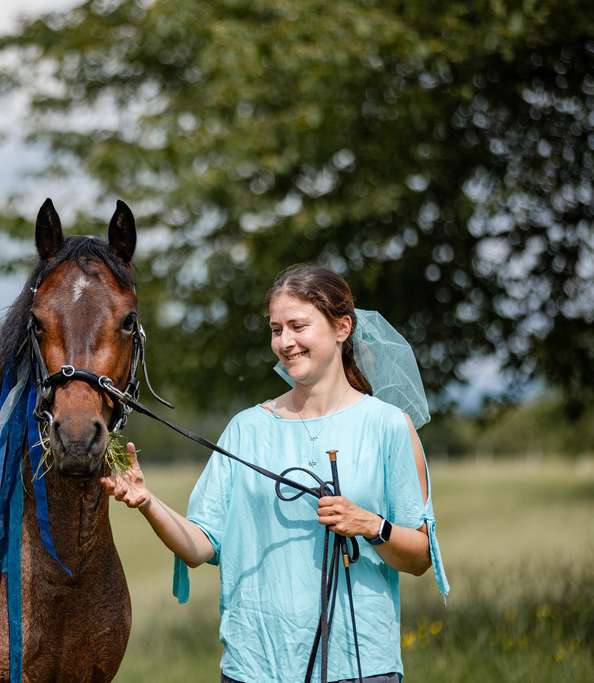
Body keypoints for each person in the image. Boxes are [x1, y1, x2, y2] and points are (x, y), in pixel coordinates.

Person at [101, 265, 449, 683]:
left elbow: (420, 558)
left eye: (298, 326)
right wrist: (148, 502)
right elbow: (198, 547)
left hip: (359, 667)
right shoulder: (245, 429)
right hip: (254, 668)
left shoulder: (388, 426)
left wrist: (371, 525)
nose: (285, 342)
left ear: (342, 328)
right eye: (276, 329)